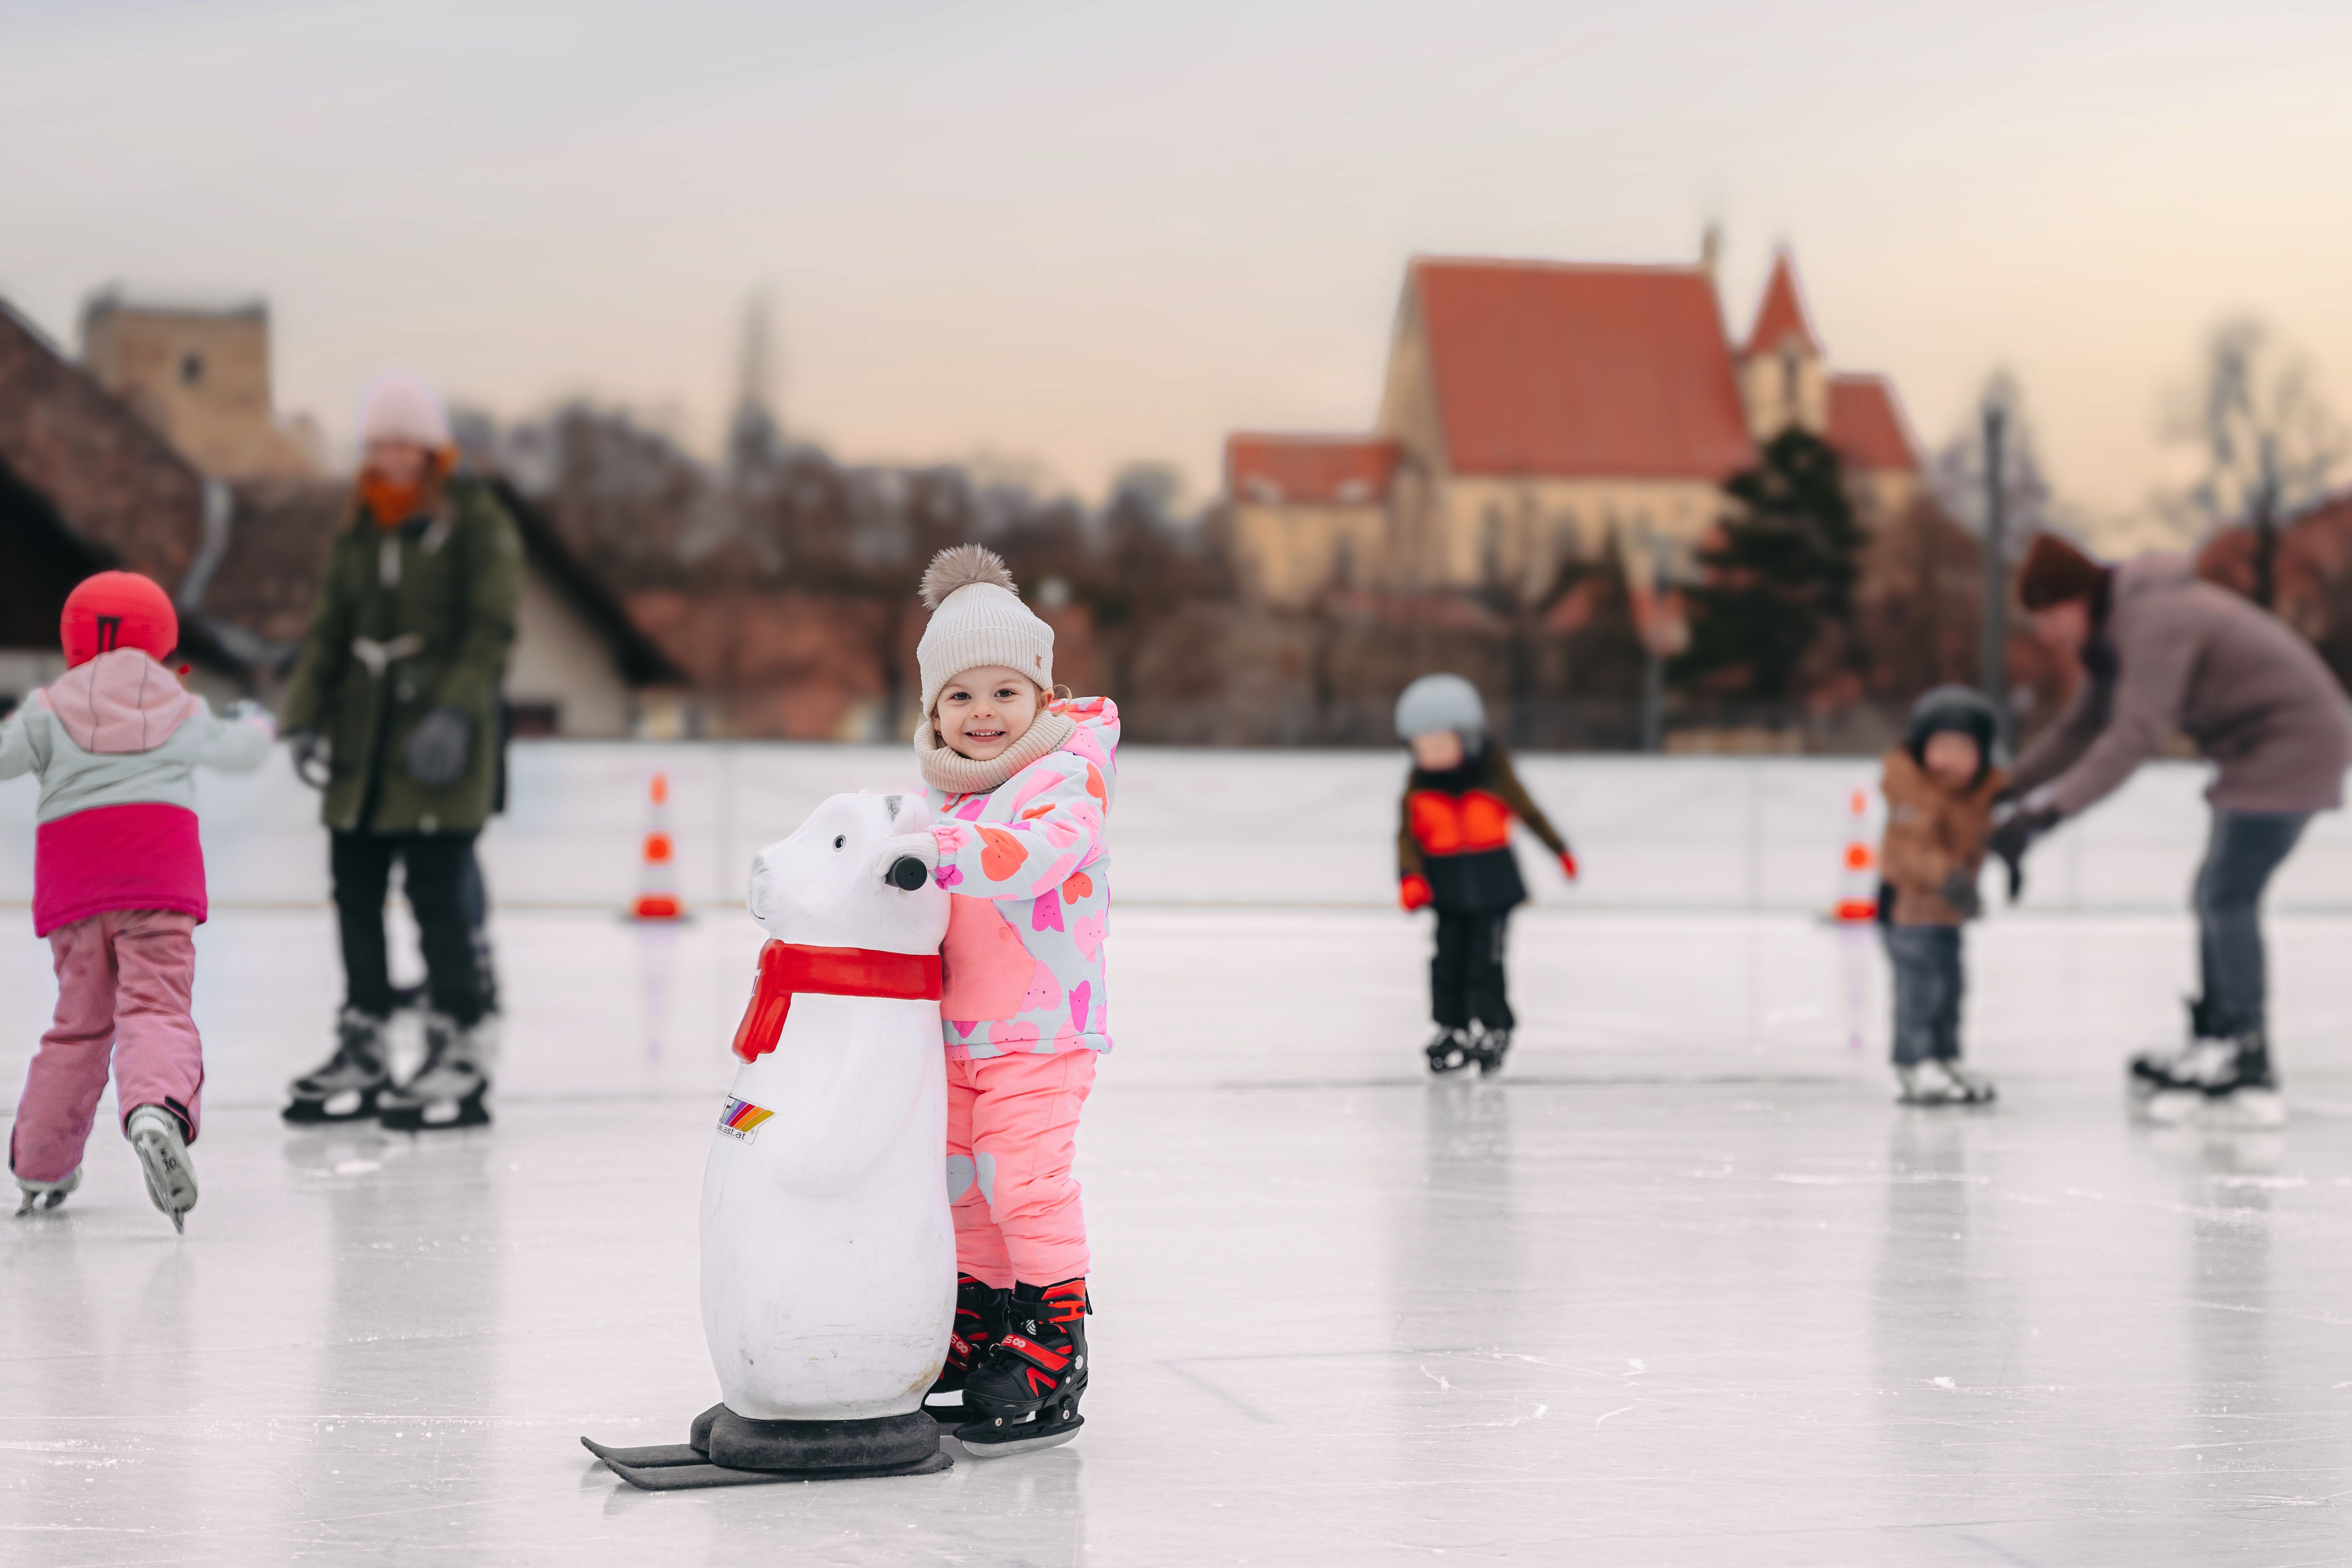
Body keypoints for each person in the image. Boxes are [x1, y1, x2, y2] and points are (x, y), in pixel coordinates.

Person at [1991, 533, 2352, 1123]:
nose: (2049, 635)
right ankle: (2220, 1038)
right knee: (2219, 891)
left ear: (2079, 599)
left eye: (2050, 617)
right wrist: (2003, 790)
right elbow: (2080, 729)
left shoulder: (2154, 622)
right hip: (2263, 749)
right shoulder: (2121, 631)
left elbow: (2136, 734)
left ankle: (2243, 1051)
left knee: (2226, 893)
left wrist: (2045, 815)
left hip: (2293, 746)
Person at [893, 543, 1114, 1458]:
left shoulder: (1063, 777)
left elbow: (1044, 854)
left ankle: (1054, 1340)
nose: (982, 715)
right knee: (964, 1187)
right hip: (957, 1030)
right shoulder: (939, 798)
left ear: (1041, 696)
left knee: (1024, 1180)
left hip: (1040, 1024)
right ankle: (981, 1325)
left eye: (1003, 693)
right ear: (933, 710)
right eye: (959, 697)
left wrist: (940, 858)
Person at [278, 374, 522, 1131]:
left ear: (431, 448)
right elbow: (329, 630)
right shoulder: (362, 525)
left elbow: (491, 630)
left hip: (436, 749)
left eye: (403, 444)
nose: (391, 458)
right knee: (354, 890)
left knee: (438, 898)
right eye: (379, 444)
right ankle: (366, 1040)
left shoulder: (475, 522)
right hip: (366, 739)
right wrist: (308, 716)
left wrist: (453, 711)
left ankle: (458, 1047)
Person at [1, 571, 274, 1229]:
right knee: (155, 1007)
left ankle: (41, 1166)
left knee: (79, 1026)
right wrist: (257, 721)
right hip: (157, 881)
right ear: (160, 637)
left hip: (76, 889)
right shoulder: (182, 705)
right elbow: (241, 754)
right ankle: (157, 1109)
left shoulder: (44, 707)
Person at [1392, 673, 1577, 1077]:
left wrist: (1559, 850)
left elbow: (1529, 813)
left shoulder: (1495, 778)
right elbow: (1408, 837)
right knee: (1446, 960)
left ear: (1469, 738)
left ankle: (1494, 1027)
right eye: (1423, 748)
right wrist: (1409, 876)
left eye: (1441, 745)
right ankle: (1451, 1026)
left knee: (1484, 960)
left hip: (1492, 883)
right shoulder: (1418, 789)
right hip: (1446, 883)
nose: (1432, 755)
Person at [1877, 686, 2006, 1106]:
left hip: (1947, 912)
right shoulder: (1913, 791)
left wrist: (2012, 857)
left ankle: (1946, 1056)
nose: (1951, 759)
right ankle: (1915, 1061)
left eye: (1963, 748)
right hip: (1907, 909)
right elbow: (1912, 851)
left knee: (1951, 987)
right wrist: (1952, 881)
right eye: (1942, 746)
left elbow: (1984, 837)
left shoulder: (1974, 796)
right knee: (1921, 986)